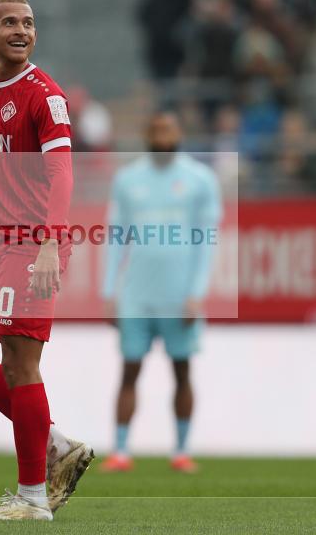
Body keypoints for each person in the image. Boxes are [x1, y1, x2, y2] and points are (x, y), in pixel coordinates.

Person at [0, 0, 93, 522]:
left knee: (20, 364)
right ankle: (54, 442)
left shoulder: (45, 96)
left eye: (29, 23)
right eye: (10, 22)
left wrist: (51, 243)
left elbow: (61, 174)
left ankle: (33, 497)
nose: (21, 30)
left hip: (33, 244)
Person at [100, 112, 221, 474]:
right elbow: (115, 238)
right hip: (137, 294)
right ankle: (121, 451)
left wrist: (196, 292)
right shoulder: (127, 179)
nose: (162, 137)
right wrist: (109, 291)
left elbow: (207, 242)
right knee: (129, 369)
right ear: (147, 135)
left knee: (181, 370)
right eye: (156, 131)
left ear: (179, 133)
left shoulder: (200, 179)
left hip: (179, 295)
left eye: (168, 130)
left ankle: (181, 450)